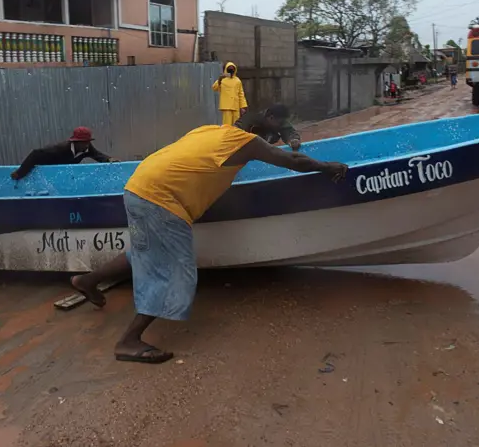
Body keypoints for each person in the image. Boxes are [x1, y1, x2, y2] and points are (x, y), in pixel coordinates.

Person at [69, 103, 348, 364]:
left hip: (139, 187)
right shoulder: (247, 142)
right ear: (259, 132)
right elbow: (293, 160)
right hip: (162, 200)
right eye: (270, 138)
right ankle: (129, 341)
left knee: (145, 252)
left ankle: (87, 280)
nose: (270, 143)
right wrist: (327, 167)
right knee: (175, 271)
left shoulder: (209, 131)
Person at [10, 127, 118, 181]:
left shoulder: (87, 148)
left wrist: (109, 159)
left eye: (88, 142)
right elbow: (35, 154)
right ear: (75, 142)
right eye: (83, 142)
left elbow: (97, 155)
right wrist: (20, 173)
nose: (86, 145)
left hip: (64, 173)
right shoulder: (59, 149)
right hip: (51, 168)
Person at [235, 105, 302, 151]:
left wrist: (293, 139)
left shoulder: (278, 121)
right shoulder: (249, 120)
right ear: (271, 118)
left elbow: (288, 131)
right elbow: (235, 131)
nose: (281, 125)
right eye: (280, 122)